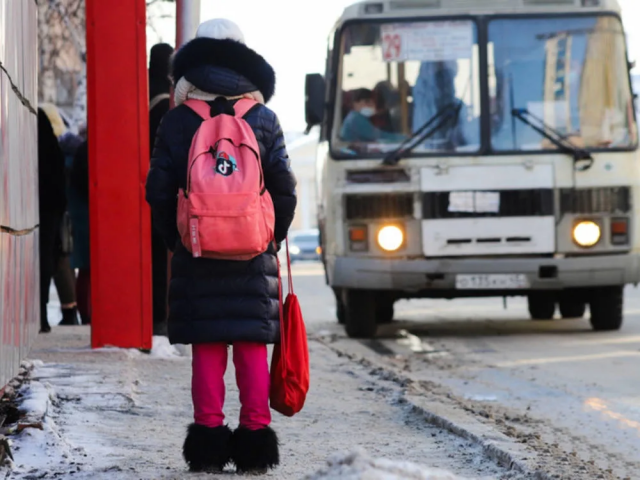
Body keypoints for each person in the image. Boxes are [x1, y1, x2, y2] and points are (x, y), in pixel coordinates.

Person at [145, 19, 296, 474]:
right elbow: (285, 188)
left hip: (197, 249)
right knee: (251, 344)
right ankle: (254, 439)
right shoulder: (264, 119)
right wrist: (270, 237)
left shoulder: (177, 119)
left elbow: (157, 189)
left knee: (208, 346)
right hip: (253, 251)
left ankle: (208, 441)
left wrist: (179, 239)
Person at [40, 103, 81, 326]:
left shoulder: (47, 144)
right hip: (59, 208)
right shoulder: (61, 145)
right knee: (59, 257)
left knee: (54, 258)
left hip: (51, 210)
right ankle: (69, 310)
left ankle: (64, 311)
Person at [148, 43, 175, 337]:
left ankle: (155, 315)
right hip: (166, 189)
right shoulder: (167, 103)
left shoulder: (142, 92)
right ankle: (161, 317)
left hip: (145, 186)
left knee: (152, 257)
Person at [38, 109, 67, 333]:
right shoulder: (52, 146)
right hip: (50, 210)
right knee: (46, 258)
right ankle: (42, 314)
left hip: (35, 205)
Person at [69, 138, 91, 325]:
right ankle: (86, 313)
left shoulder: (84, 148)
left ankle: (85, 312)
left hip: (84, 215)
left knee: (85, 269)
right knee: (87, 268)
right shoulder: (89, 150)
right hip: (88, 216)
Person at [340, 88, 404, 143]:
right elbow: (379, 136)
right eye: (367, 102)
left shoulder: (357, 117)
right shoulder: (355, 119)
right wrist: (406, 138)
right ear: (355, 103)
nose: (371, 105)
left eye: (372, 102)